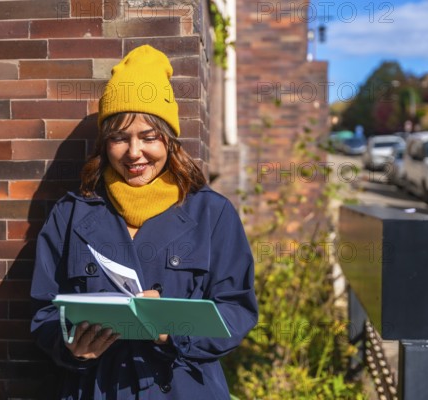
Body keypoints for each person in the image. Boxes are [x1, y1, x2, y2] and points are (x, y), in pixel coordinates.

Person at [30, 45, 258, 399]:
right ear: (105, 144)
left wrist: (172, 328)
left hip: (183, 386)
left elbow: (237, 311)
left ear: (170, 140)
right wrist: (71, 347)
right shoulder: (71, 214)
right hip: (96, 388)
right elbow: (44, 310)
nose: (134, 152)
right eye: (119, 138)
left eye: (149, 137)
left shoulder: (211, 214)